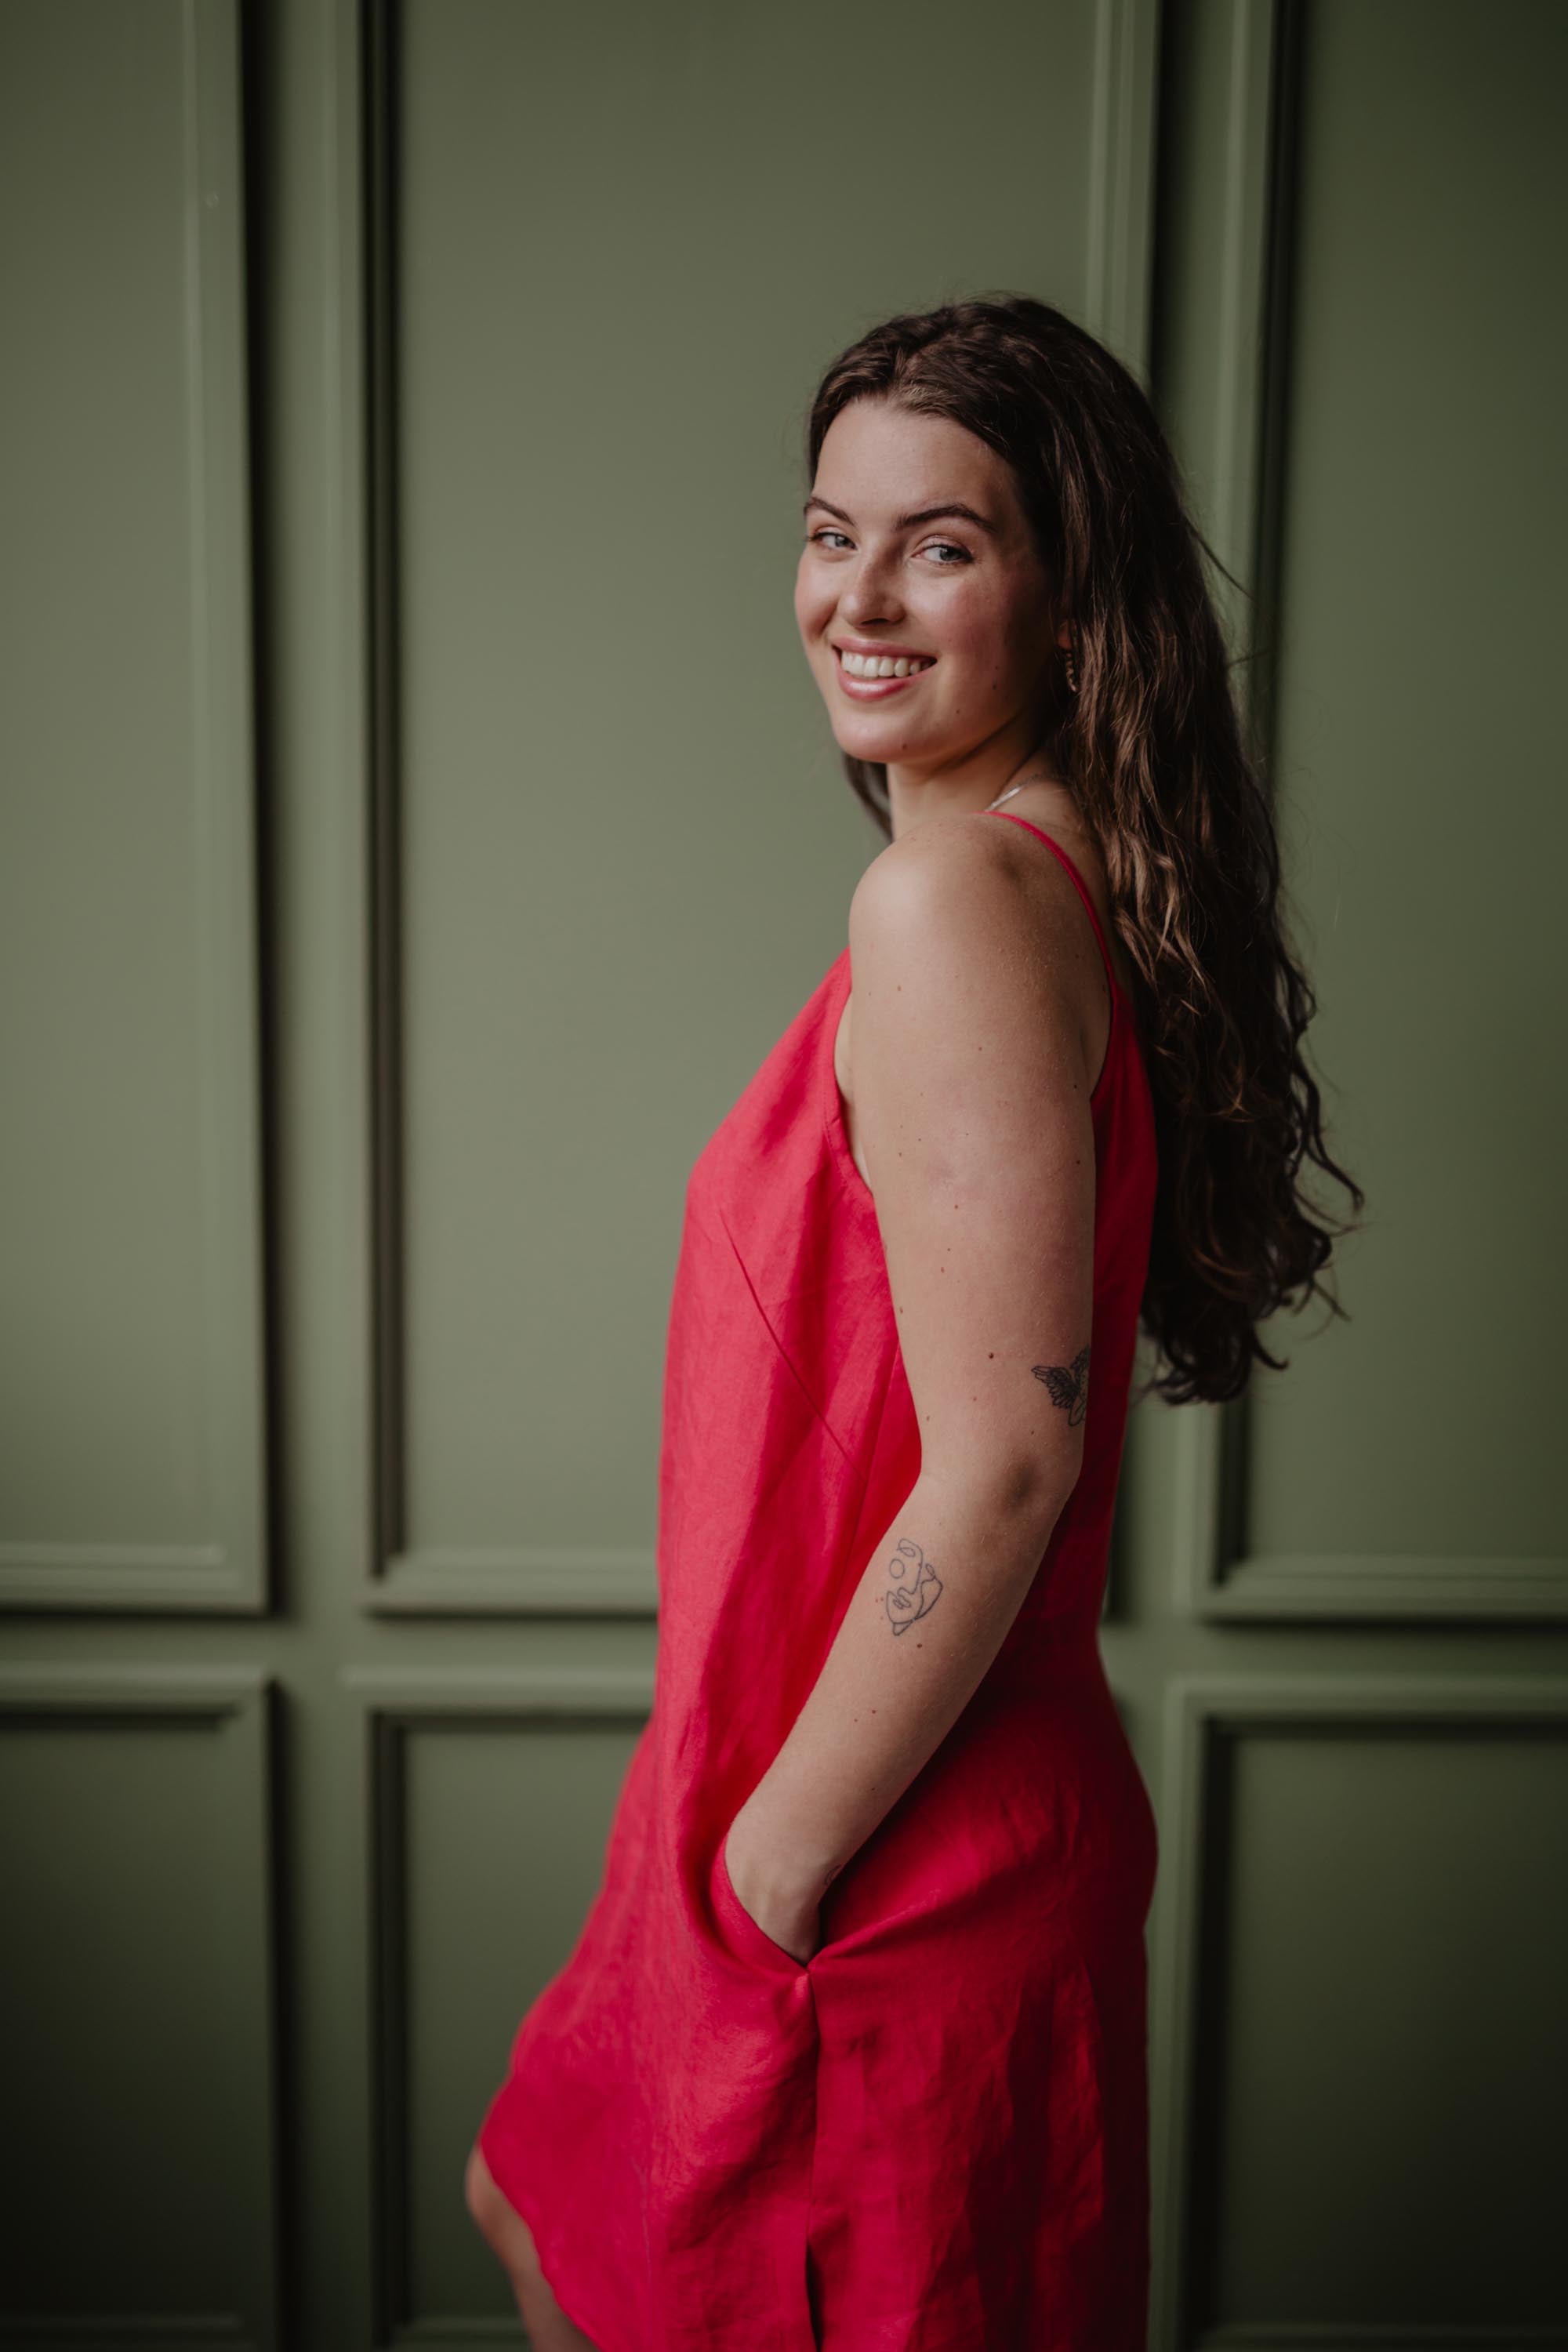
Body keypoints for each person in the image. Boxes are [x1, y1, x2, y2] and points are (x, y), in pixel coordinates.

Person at [463, 293, 1360, 2350]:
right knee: (542, 2199)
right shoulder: (1047, 878)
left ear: (1072, 597)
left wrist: (770, 1874)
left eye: (940, 543)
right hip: (882, 1811)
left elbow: (1015, 1459)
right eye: (827, 530)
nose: (855, 597)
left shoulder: (953, 905)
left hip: (885, 1858)